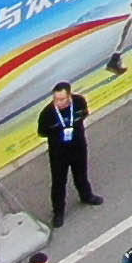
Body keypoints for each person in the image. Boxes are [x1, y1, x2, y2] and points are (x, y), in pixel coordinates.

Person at [35, 82, 97, 224]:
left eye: (62, 99)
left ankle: (86, 196)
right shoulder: (47, 114)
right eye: (56, 99)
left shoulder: (79, 102)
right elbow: (42, 132)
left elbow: (84, 115)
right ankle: (58, 212)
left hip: (78, 146)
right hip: (59, 153)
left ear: (69, 96)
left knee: (81, 174)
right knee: (58, 182)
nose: (59, 102)